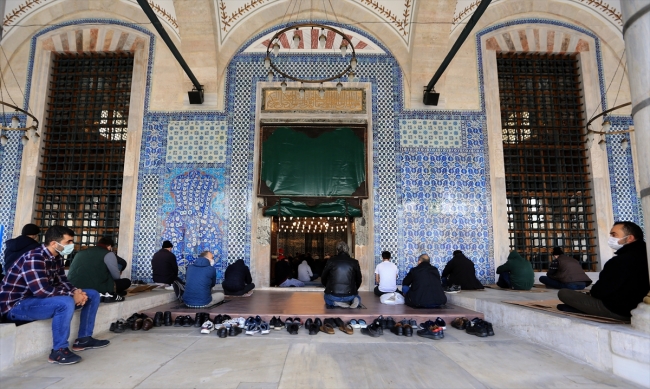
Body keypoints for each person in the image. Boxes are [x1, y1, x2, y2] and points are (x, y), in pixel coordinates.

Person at [0, 225, 109, 365]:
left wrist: (76, 291)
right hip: (16, 306)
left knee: (93, 294)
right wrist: (72, 296)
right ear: (53, 243)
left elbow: (62, 281)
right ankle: (59, 351)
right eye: (68, 242)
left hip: (36, 301)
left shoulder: (56, 257)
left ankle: (84, 339)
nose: (72, 245)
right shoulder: (35, 258)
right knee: (65, 302)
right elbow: (42, 290)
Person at [558, 222, 649, 321]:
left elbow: (599, 292)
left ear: (630, 238)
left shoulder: (620, 261)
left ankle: (583, 310)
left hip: (618, 310)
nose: (611, 238)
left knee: (563, 293)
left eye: (614, 235)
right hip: (638, 307)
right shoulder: (646, 256)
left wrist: (593, 293)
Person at [67, 236, 131, 299]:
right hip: (95, 287)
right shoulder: (108, 254)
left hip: (74, 287)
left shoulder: (80, 253)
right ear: (109, 246)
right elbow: (116, 277)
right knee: (126, 282)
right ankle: (109, 293)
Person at [321, 241, 362, 308]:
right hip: (350, 295)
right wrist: (353, 289)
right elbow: (359, 279)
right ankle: (355, 300)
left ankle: (335, 303)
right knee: (357, 296)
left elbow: (323, 278)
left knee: (327, 298)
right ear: (348, 250)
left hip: (333, 295)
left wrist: (329, 287)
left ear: (337, 250)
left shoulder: (331, 261)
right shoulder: (354, 262)